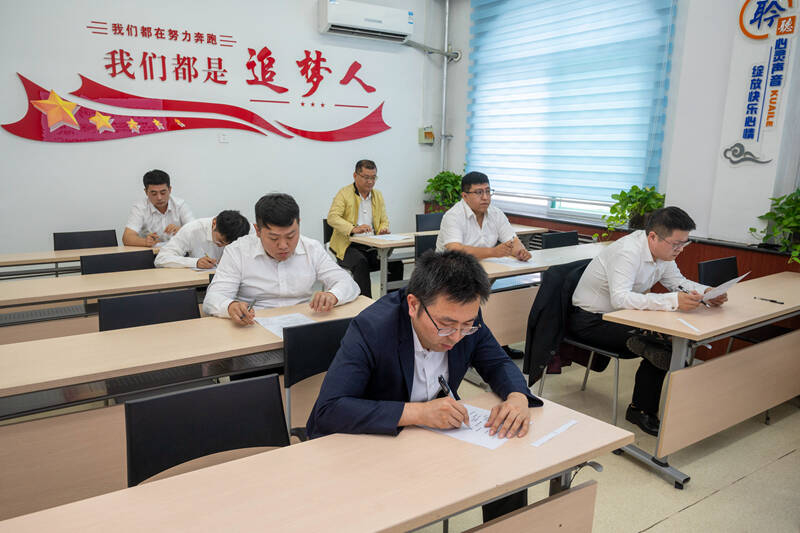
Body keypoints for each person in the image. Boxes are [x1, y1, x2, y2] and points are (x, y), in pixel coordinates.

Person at [307, 250, 541, 522]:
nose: (456, 337)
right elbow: (330, 409)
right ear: (413, 304)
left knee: (506, 470)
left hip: (431, 435)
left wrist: (517, 397)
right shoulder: (373, 328)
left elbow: (498, 362)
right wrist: (418, 413)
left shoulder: (464, 317)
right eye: (445, 325)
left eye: (466, 325)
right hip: (371, 440)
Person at [570, 206, 728, 436]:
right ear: (653, 236)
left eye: (685, 243)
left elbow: (677, 282)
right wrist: (672, 301)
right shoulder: (627, 252)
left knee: (668, 341)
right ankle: (640, 410)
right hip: (592, 320)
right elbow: (620, 298)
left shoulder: (664, 253)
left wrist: (707, 292)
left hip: (625, 316)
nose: (680, 250)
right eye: (676, 244)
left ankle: (661, 401)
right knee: (662, 346)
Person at [202, 193, 360, 323]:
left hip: (302, 326)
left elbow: (348, 283)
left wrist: (333, 295)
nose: (283, 245)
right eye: (274, 238)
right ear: (258, 230)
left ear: (299, 224)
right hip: (253, 326)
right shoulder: (237, 252)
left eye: (291, 236)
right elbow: (212, 299)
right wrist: (230, 306)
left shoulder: (311, 248)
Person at [435, 171, 531, 359]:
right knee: (479, 298)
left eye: (488, 191)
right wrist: (493, 252)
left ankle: (500, 341)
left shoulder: (496, 213)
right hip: (450, 273)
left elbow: (512, 240)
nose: (485, 197)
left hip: (484, 271)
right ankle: (468, 349)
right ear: (465, 196)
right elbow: (455, 250)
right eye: (479, 192)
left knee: (505, 296)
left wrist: (520, 251)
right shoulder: (453, 216)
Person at [327, 159, 404, 297]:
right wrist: (352, 228)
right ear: (355, 175)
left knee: (396, 264)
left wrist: (382, 230)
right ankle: (366, 304)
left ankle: (392, 302)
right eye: (366, 177)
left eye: (373, 178)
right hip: (348, 246)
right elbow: (332, 217)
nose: (370, 182)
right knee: (361, 262)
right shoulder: (344, 193)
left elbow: (384, 220)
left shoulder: (377, 195)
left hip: (371, 245)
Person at [154, 210, 250, 269]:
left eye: (228, 244)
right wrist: (196, 262)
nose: (223, 246)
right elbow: (161, 258)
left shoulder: (246, 230)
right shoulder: (192, 230)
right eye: (220, 241)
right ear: (214, 223)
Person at [122, 169, 194, 247]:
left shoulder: (180, 205)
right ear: (146, 192)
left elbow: (196, 231)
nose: (159, 198)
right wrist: (145, 242)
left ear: (169, 190)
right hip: (151, 252)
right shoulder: (140, 208)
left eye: (163, 193)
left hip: (178, 251)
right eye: (154, 194)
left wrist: (182, 230)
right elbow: (127, 238)